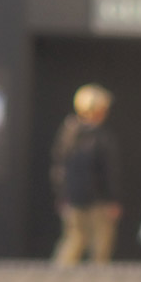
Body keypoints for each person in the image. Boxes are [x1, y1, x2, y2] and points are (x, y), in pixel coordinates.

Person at [50, 83, 122, 266]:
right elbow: (109, 171)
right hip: (96, 200)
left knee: (76, 239)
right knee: (99, 244)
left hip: (74, 197)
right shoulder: (99, 137)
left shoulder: (69, 132)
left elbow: (58, 168)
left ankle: (58, 279)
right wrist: (112, 199)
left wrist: (61, 195)